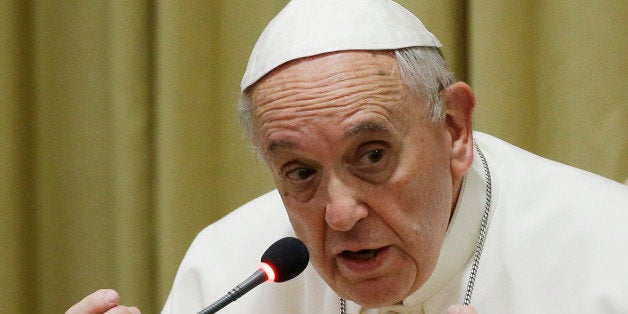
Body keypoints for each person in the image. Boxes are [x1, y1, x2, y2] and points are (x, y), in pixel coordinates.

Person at [69, 0, 628, 313]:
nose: (340, 215)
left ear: (454, 129)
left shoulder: (611, 251)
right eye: (301, 173)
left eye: (373, 155)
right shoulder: (228, 270)